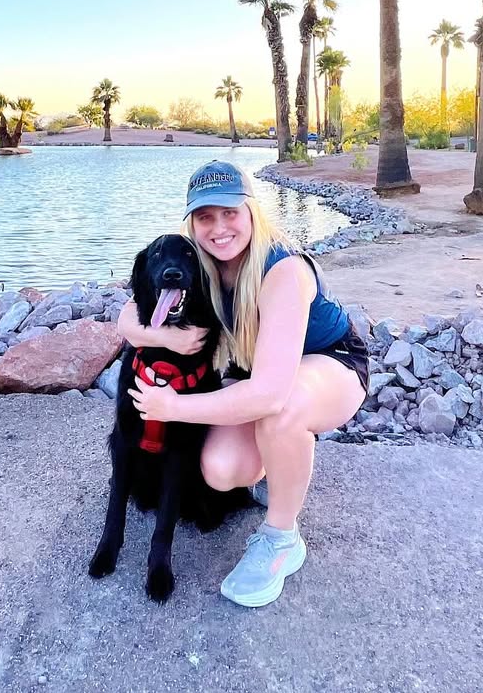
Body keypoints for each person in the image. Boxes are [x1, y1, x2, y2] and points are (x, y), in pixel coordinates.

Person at [117, 160, 369, 608]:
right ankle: (277, 470)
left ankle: (280, 539)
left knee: (281, 410)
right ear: (191, 222)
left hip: (331, 363)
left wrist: (173, 408)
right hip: (258, 371)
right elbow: (127, 316)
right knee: (220, 470)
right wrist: (162, 335)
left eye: (229, 212)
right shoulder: (199, 264)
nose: (218, 228)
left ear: (253, 210)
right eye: (205, 217)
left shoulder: (282, 269)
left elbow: (269, 392)